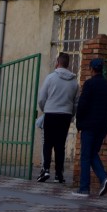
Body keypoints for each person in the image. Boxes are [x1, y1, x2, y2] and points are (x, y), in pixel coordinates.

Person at [73, 57, 107, 197]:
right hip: (103, 126)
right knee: (92, 153)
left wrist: (79, 122)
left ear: (91, 69)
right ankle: (104, 178)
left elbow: (82, 105)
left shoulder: (89, 84)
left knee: (85, 156)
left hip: (89, 125)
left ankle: (84, 188)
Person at [36, 52, 79, 184]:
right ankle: (59, 174)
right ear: (68, 64)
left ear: (57, 62)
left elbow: (42, 98)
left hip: (51, 113)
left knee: (48, 143)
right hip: (65, 115)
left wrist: (46, 109)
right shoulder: (74, 82)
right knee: (60, 145)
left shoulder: (50, 78)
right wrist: (70, 114)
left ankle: (45, 170)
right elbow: (76, 102)